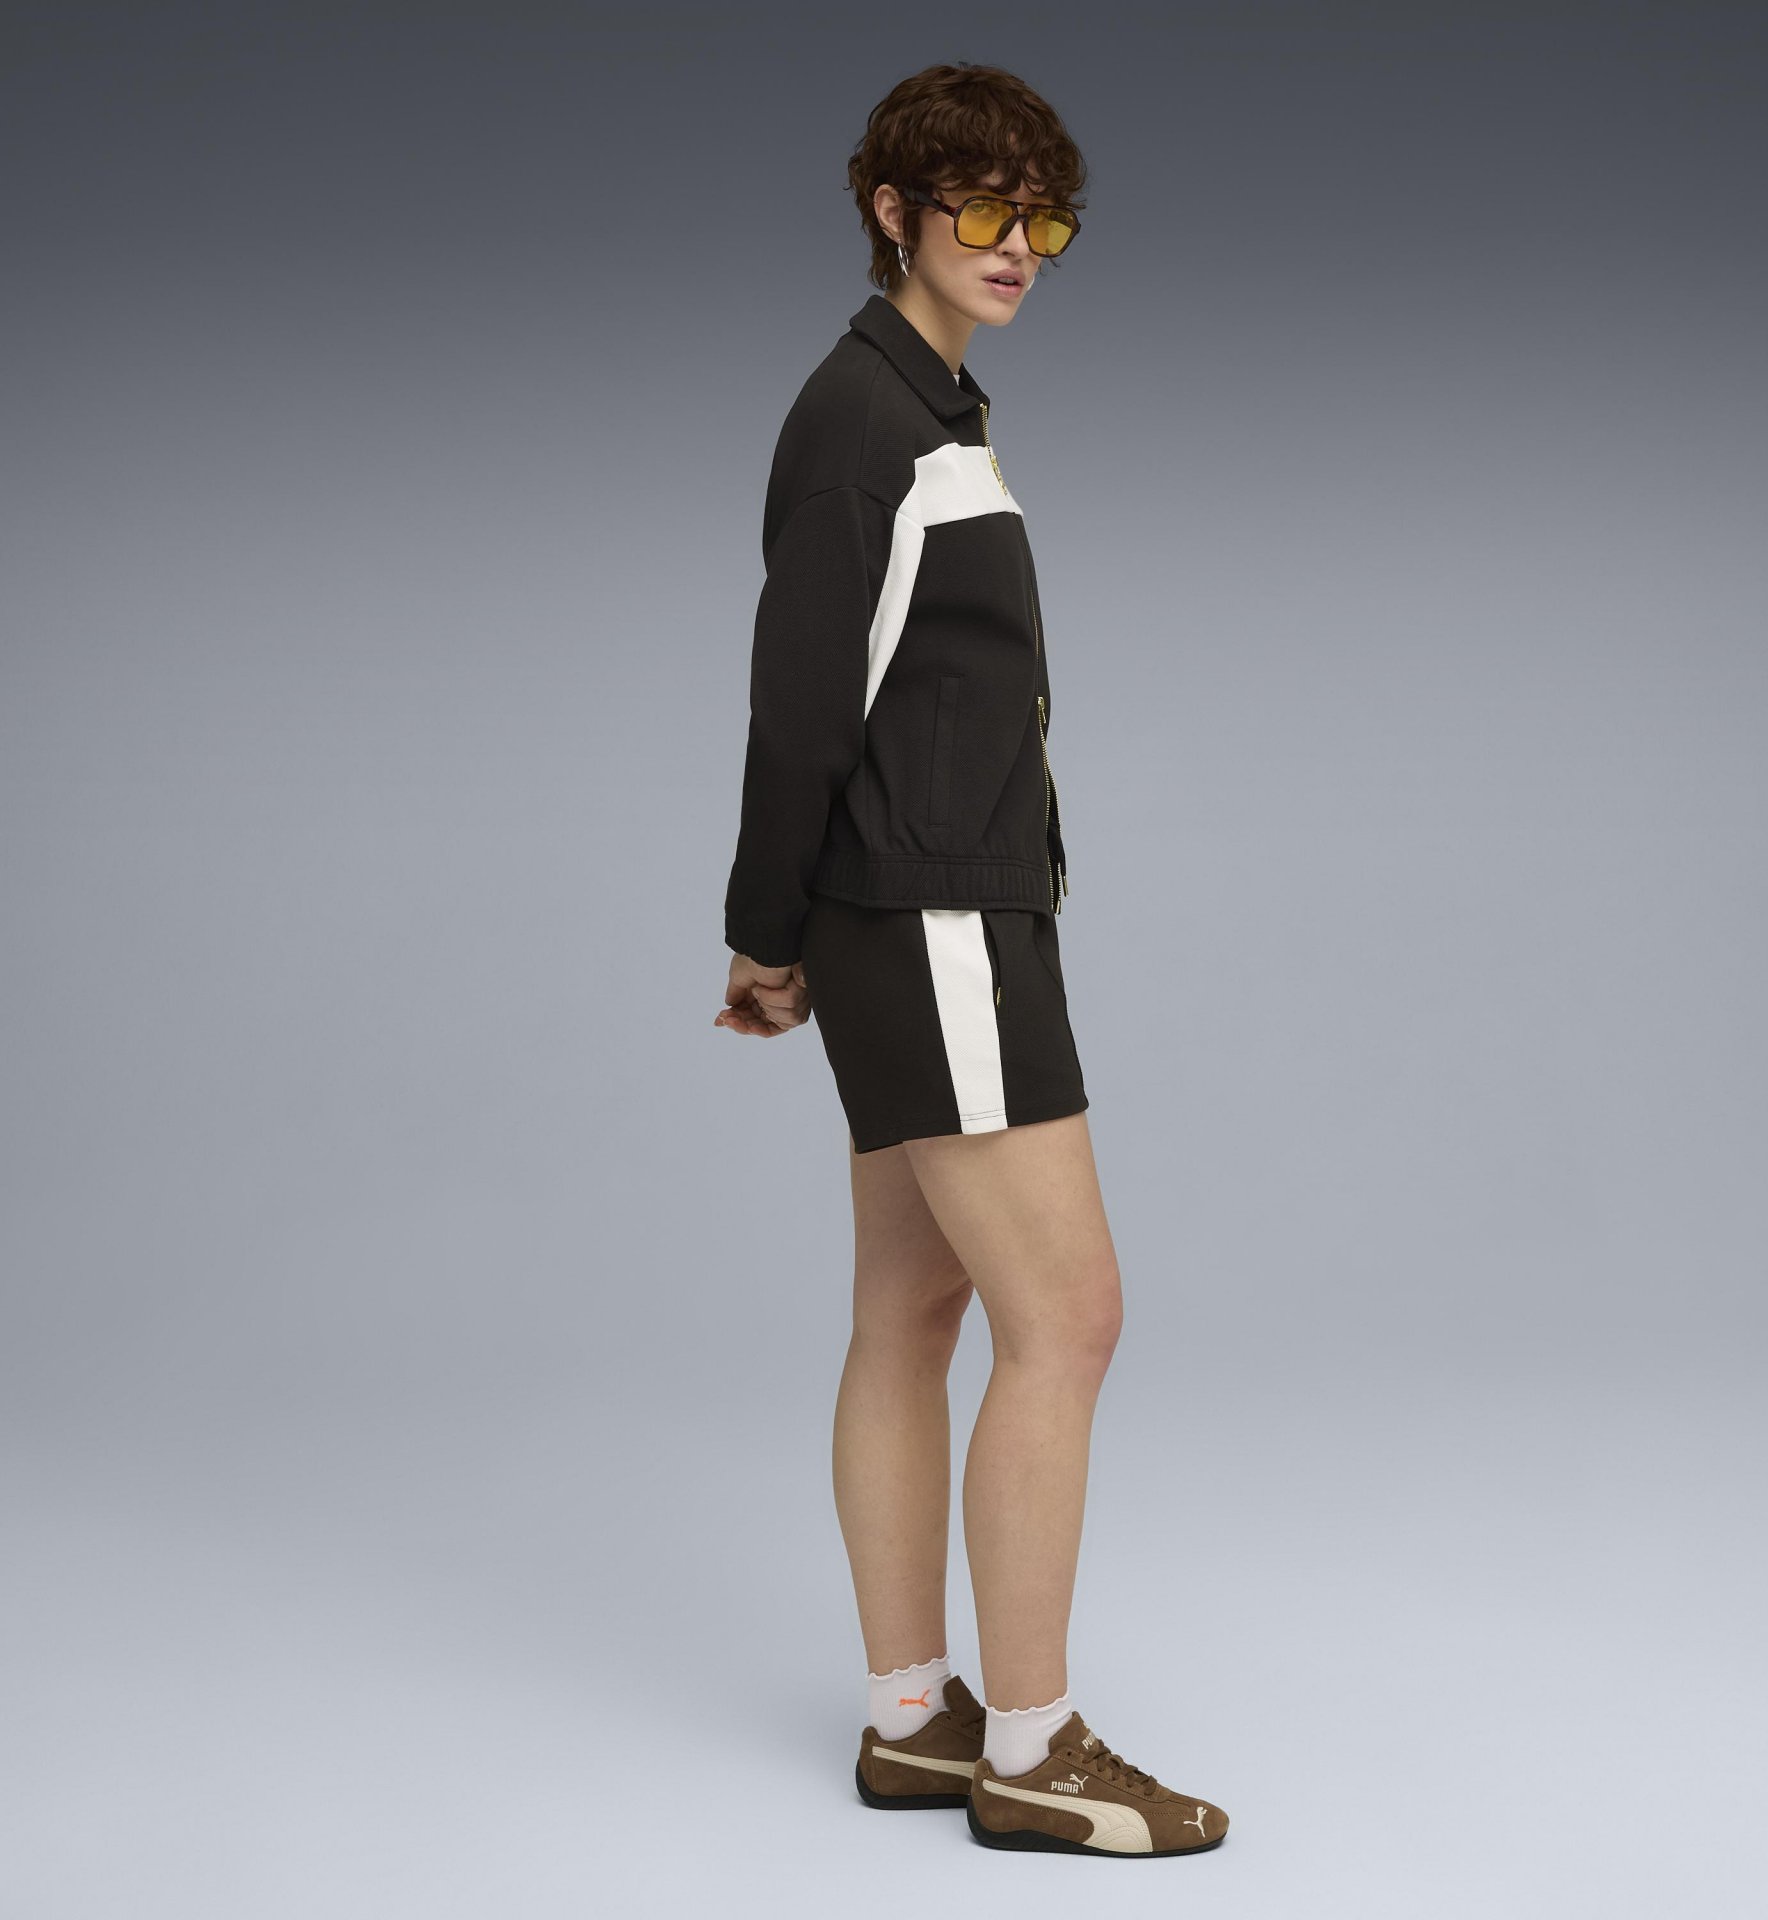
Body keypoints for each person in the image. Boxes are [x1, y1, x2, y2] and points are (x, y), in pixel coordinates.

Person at [712, 63, 1227, 1859]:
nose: (1019, 246)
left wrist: (794, 928)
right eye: (984, 208)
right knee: (1066, 1319)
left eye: (1045, 217)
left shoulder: (930, 406)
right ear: (893, 210)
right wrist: (764, 927)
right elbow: (802, 708)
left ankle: (911, 1722)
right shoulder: (868, 419)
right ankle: (1035, 1745)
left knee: (912, 1313)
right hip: (933, 918)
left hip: (921, 910)